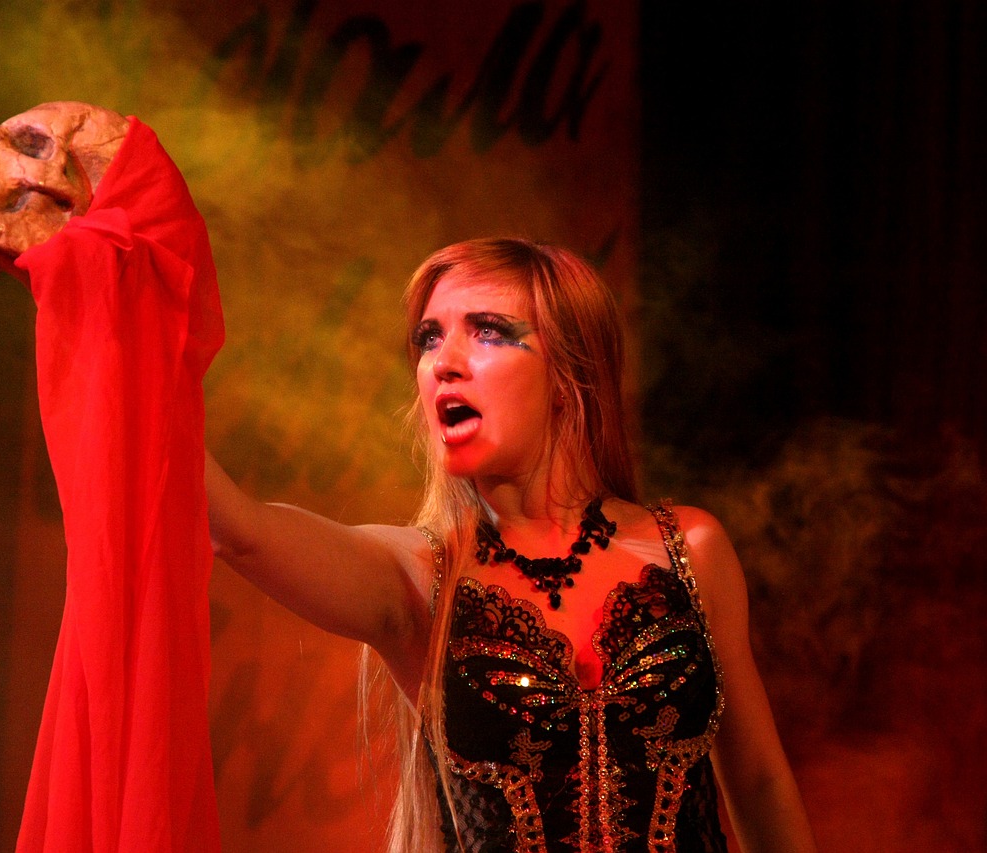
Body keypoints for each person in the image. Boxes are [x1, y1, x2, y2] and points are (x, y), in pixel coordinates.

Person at [205, 238, 817, 852]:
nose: (443, 362)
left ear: (569, 372)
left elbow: (760, 784)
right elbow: (241, 530)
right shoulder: (418, 575)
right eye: (429, 338)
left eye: (488, 332)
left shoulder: (690, 548)